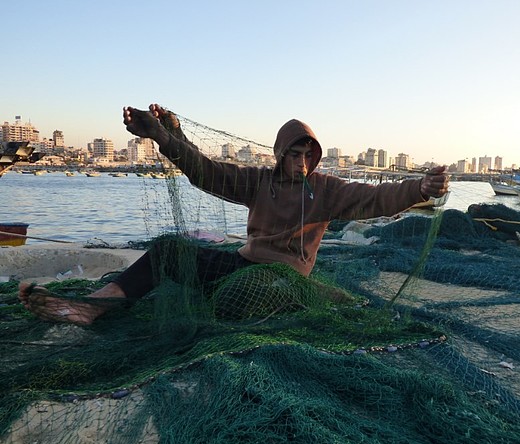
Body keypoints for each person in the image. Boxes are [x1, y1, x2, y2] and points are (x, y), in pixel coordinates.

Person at [19, 104, 449, 325]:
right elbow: (205, 170)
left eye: (308, 153)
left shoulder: (328, 190)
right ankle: (93, 307)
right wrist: (166, 137)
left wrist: (420, 189)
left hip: (279, 278)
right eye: (294, 153)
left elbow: (376, 199)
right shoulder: (258, 182)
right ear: (280, 154)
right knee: (168, 251)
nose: (302, 160)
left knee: (238, 303)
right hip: (241, 263)